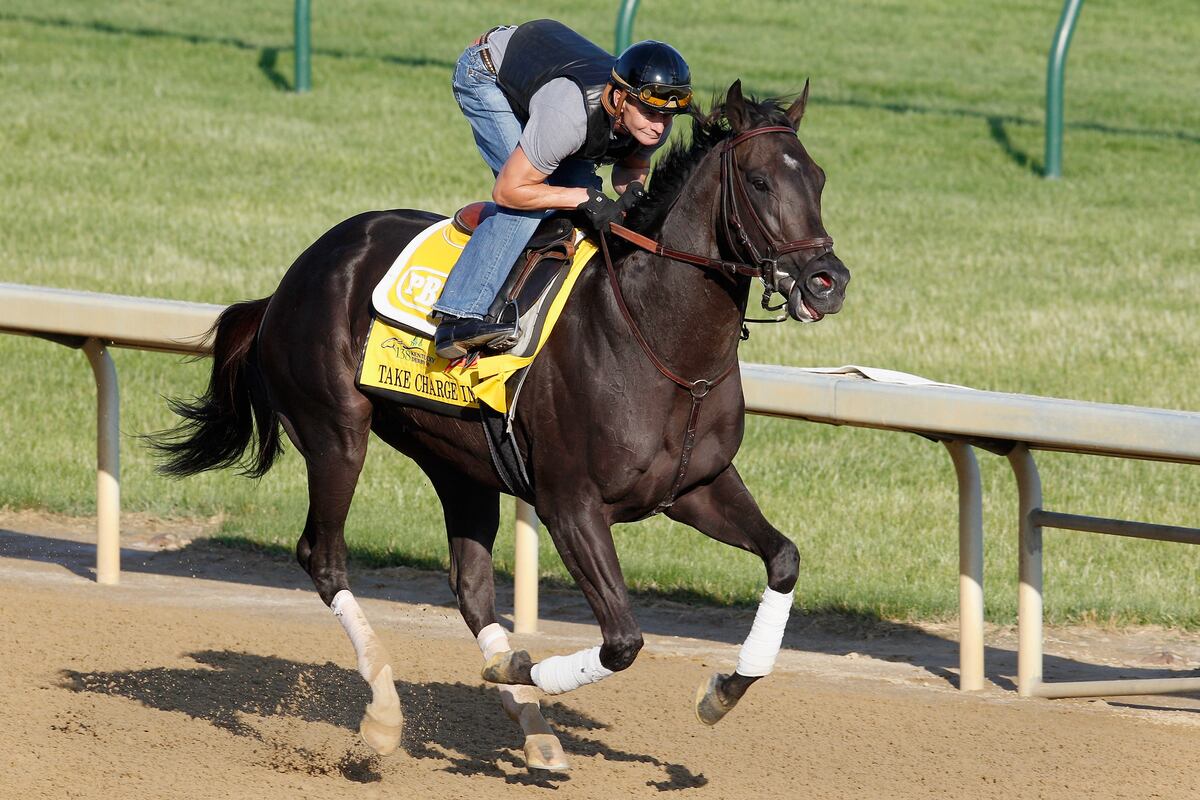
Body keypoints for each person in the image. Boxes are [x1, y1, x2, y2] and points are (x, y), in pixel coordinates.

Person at [432, 19, 693, 359]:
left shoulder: (649, 122)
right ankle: (458, 316)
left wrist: (633, 195)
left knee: (583, 212)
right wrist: (580, 196)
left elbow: (631, 165)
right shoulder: (570, 116)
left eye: (666, 117)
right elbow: (509, 190)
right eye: (648, 112)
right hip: (486, 74)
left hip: (546, 83)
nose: (658, 126)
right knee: (529, 206)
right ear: (619, 98)